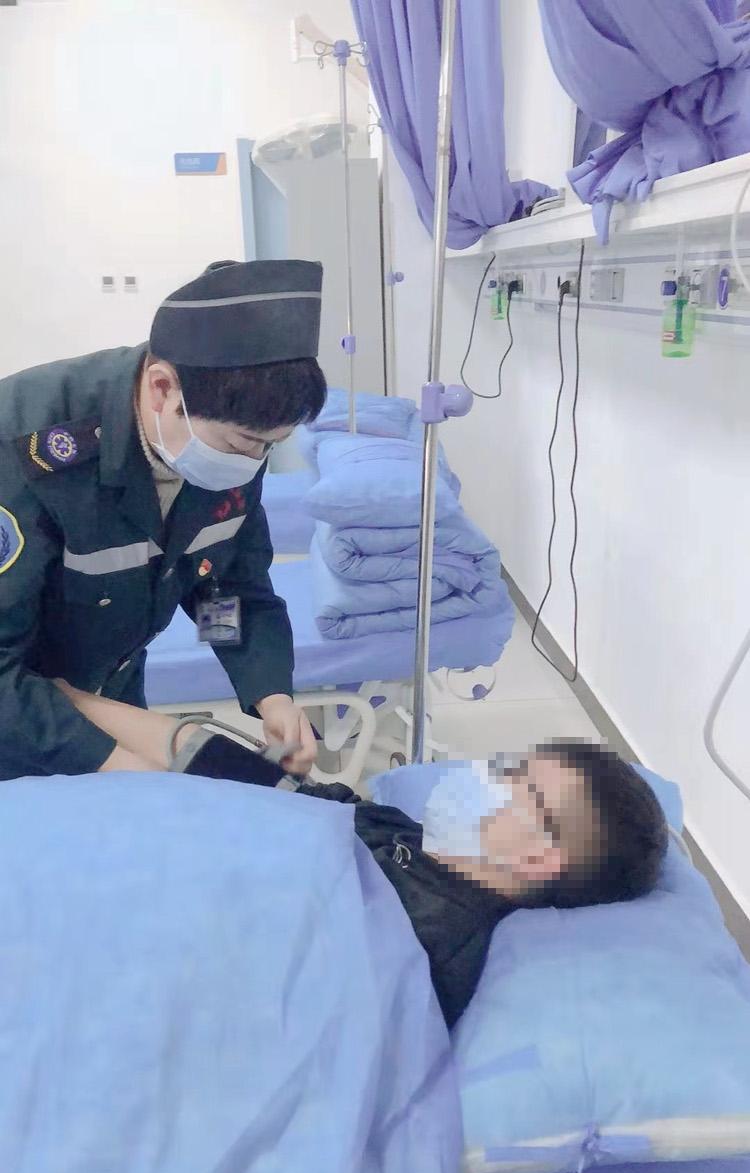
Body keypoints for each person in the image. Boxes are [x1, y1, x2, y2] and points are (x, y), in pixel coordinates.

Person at [51, 685, 671, 1029]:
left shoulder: (422, 942)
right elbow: (251, 780)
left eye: (516, 785)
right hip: (133, 841)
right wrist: (62, 697)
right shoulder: (413, 840)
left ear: (539, 858)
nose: (486, 774)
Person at [0, 259, 326, 780]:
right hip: (18, 718)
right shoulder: (26, 448)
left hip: (112, 685)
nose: (252, 462)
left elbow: (218, 587)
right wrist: (112, 761)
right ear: (161, 388)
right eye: (243, 442)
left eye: (272, 446)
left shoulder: (228, 447)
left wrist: (269, 693)